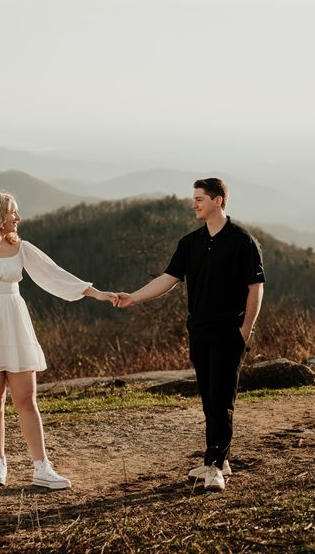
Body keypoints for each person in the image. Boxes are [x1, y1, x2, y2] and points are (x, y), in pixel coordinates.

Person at [0, 190, 118, 489]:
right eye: (13, 212)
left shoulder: (20, 247)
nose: (18, 217)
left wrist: (97, 294)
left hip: (15, 326)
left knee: (26, 400)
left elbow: (55, 275)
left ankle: (41, 467)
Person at [118, 178, 264, 492]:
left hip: (230, 332)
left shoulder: (243, 241)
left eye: (199, 199)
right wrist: (134, 297)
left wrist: (245, 330)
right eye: (194, 198)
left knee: (221, 400)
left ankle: (214, 467)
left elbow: (256, 288)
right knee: (209, 399)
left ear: (218, 200)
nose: (193, 204)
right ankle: (220, 459)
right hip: (198, 331)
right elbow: (168, 279)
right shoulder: (189, 243)